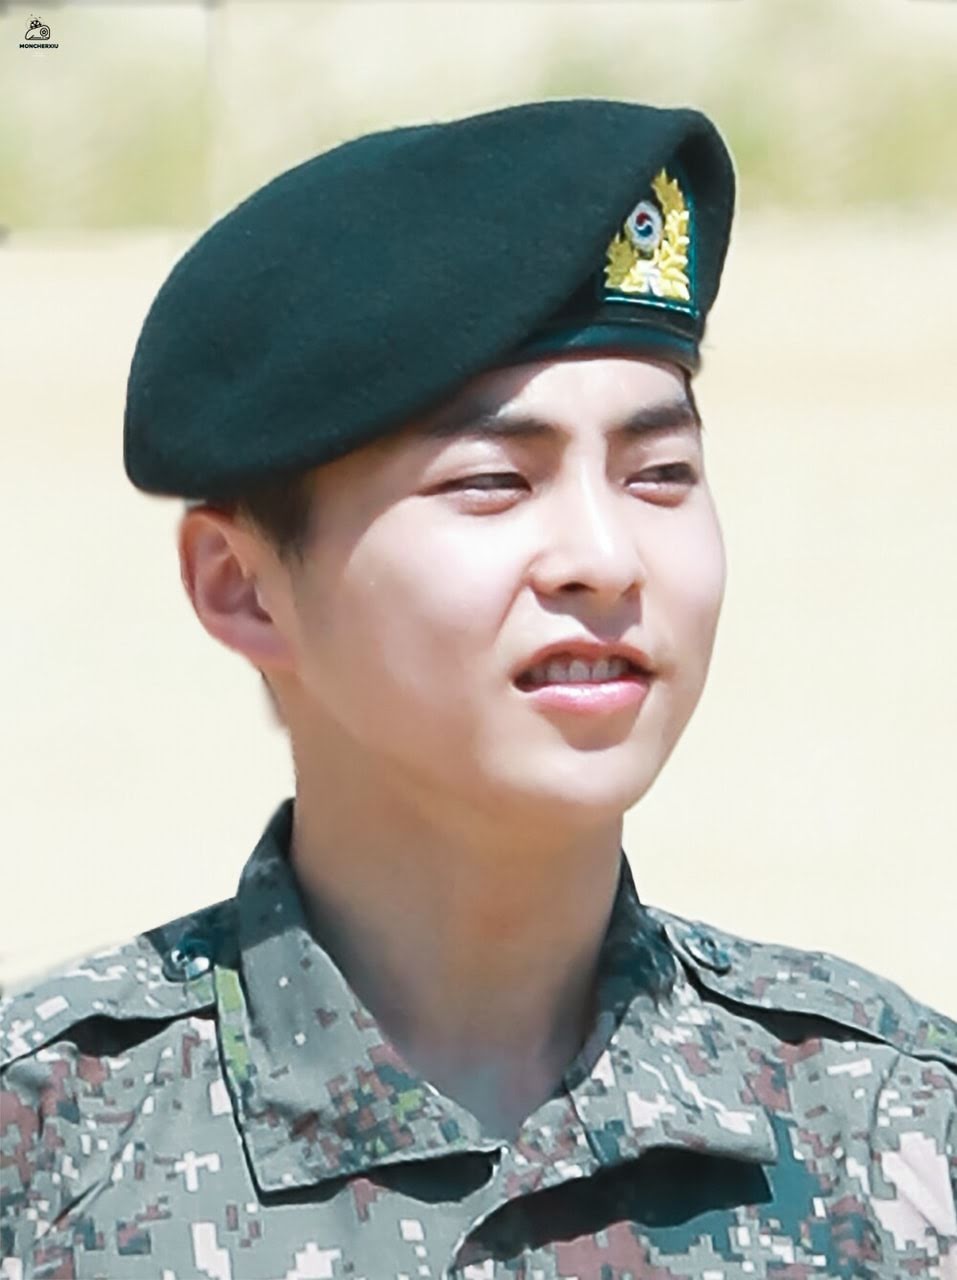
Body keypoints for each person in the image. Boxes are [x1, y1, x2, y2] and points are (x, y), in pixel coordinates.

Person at [1, 98, 955, 1280]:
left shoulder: (890, 1133)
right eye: (494, 480)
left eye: (661, 471)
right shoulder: (50, 1154)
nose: (606, 558)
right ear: (243, 587)